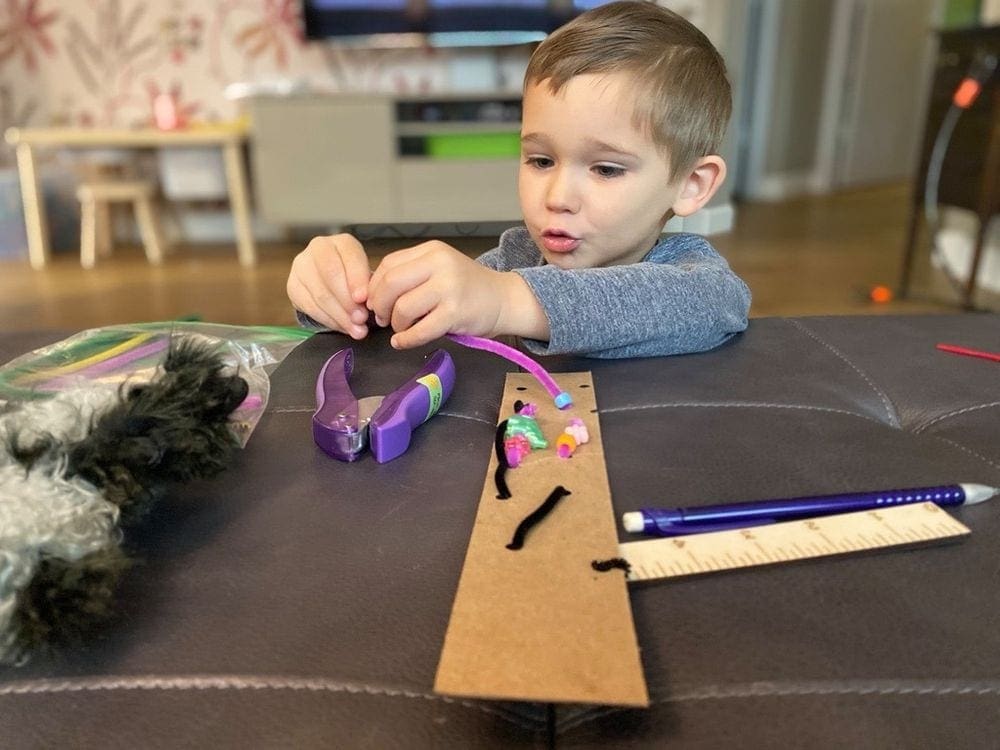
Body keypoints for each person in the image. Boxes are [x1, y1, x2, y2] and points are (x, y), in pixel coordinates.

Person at [286, 0, 751, 359]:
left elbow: (710, 306)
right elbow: (422, 317)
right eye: (541, 160)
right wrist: (340, 298)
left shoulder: (693, 274)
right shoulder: (515, 259)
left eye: (606, 169)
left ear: (692, 184)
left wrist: (505, 301)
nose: (558, 197)